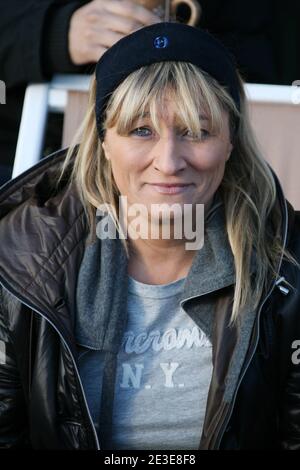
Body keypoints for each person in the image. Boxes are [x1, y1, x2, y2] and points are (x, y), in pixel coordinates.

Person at [0, 21, 299, 450]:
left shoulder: (289, 269)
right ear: (104, 140)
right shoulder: (19, 261)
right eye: (142, 130)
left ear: (230, 141)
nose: (169, 161)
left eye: (196, 131)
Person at [0, 0, 277, 186]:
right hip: (20, 163)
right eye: (142, 129)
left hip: (216, 187)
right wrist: (53, 32)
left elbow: (266, 77)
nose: (167, 164)